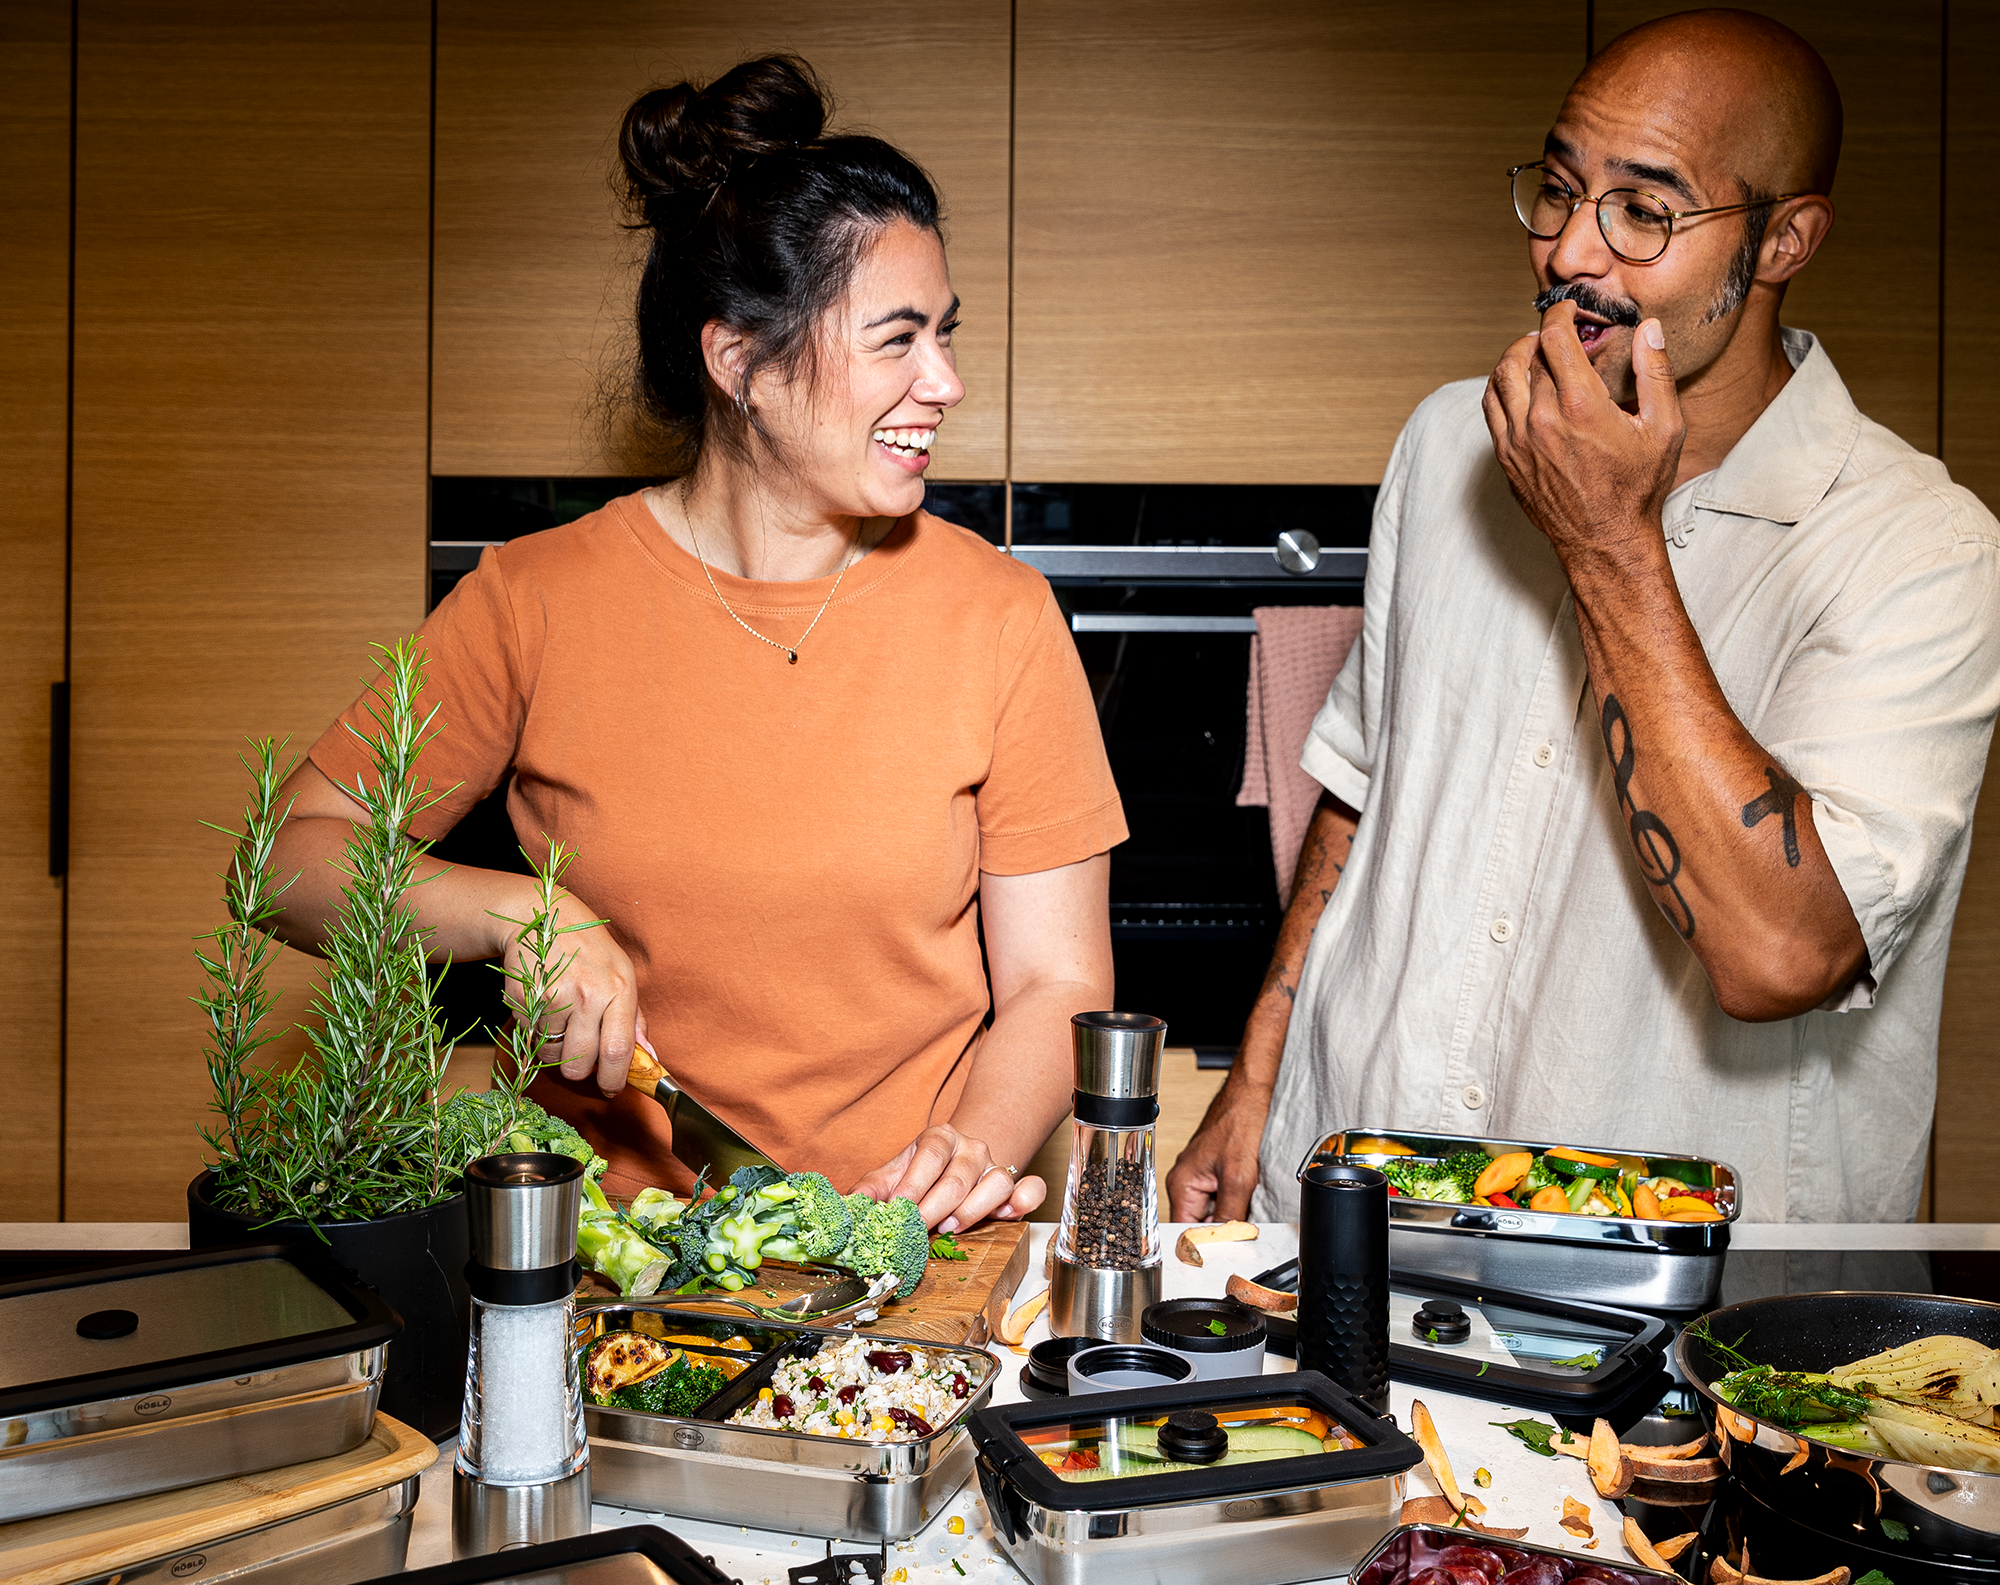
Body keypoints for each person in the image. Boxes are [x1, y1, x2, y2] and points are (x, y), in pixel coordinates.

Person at [1169, 8, 2000, 1226]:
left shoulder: (1919, 547)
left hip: (1660, 1304)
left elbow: (1780, 956)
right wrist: (1257, 1073)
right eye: (1559, 189)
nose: (1571, 252)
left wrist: (1609, 542)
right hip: (1356, 1209)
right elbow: (1362, 784)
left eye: (1644, 212)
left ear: (1783, 241)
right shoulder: (1451, 436)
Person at [269, 55, 1125, 1226]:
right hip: (606, 1261)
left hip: (905, 1252)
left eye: (946, 334)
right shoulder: (535, 598)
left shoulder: (999, 615)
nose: (947, 380)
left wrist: (962, 1157)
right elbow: (285, 861)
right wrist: (521, 909)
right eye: (897, 339)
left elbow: (1056, 978)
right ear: (741, 363)